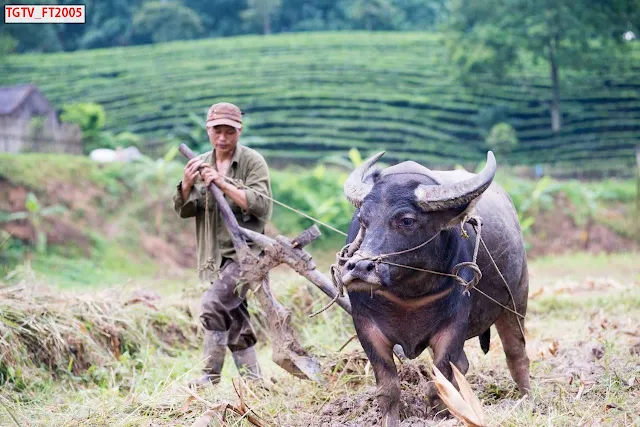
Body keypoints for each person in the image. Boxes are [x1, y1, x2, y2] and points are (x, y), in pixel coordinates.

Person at [172, 102, 273, 387]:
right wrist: (186, 184)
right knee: (234, 316)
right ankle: (255, 383)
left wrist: (223, 183)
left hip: (246, 256)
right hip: (214, 257)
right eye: (218, 131)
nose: (223, 138)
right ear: (208, 130)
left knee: (212, 305)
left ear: (239, 132)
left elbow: (261, 206)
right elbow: (185, 210)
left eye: (230, 131)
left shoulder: (253, 162)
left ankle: (209, 376)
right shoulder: (199, 162)